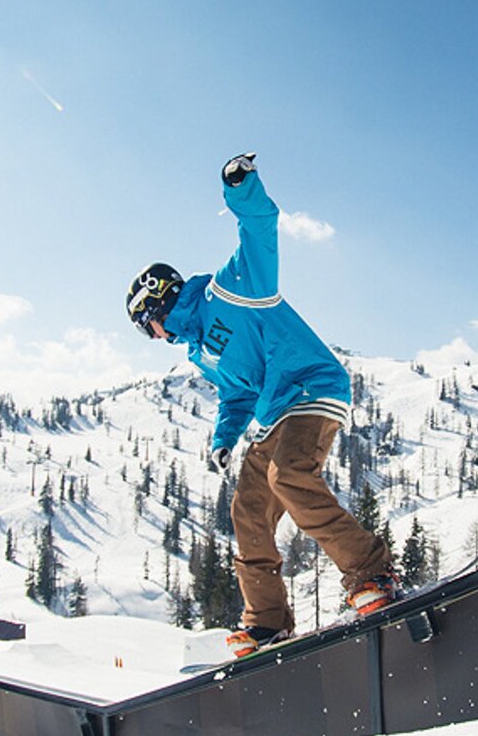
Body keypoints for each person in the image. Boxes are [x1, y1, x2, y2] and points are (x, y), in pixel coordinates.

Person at [127, 153, 398, 658]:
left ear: (158, 300)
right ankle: (267, 621)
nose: (152, 335)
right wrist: (223, 439)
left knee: (288, 477)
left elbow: (260, 226)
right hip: (273, 412)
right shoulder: (198, 348)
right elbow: (236, 394)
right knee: (247, 509)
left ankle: (371, 573)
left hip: (311, 388)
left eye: (148, 324)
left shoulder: (232, 290)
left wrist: (240, 186)